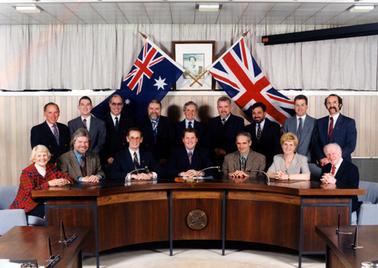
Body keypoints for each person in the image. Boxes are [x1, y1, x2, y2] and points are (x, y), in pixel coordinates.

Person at [9, 145, 72, 218]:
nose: (42, 158)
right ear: (34, 158)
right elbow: (30, 192)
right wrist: (49, 183)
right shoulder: (27, 172)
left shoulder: (51, 167)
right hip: (28, 205)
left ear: (48, 157)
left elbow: (68, 177)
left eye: (44, 155)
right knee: (54, 212)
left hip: (45, 202)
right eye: (39, 156)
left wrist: (65, 181)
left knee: (64, 209)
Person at [312, 94, 357, 166]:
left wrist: (335, 159)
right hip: (324, 163)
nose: (331, 105)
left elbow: (351, 145)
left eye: (334, 102)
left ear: (340, 104)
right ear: (326, 106)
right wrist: (322, 158)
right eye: (329, 103)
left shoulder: (349, 122)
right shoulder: (319, 122)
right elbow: (315, 143)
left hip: (343, 164)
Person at [320, 143, 360, 212]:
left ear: (340, 153)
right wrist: (323, 183)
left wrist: (335, 182)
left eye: (333, 153)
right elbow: (321, 185)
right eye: (328, 154)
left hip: (346, 204)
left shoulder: (352, 168)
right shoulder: (326, 167)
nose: (331, 157)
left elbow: (353, 189)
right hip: (328, 202)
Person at [207, 96, 244, 165]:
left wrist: (225, 151)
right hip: (215, 159)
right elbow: (208, 141)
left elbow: (240, 142)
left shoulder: (239, 121)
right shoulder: (212, 122)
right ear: (217, 108)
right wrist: (215, 150)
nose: (223, 109)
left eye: (225, 107)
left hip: (233, 159)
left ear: (230, 107)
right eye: (220, 107)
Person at [245, 102, 281, 168]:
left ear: (264, 113)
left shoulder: (274, 126)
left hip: (270, 164)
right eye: (254, 113)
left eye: (259, 112)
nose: (256, 115)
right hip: (252, 165)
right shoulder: (247, 128)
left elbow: (277, 148)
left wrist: (273, 165)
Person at [138, 99, 175, 165]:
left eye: (157, 109)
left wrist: (166, 158)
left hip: (164, 161)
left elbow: (172, 143)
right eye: (151, 108)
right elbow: (138, 143)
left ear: (161, 109)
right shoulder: (140, 123)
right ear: (148, 109)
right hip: (145, 161)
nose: (154, 111)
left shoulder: (168, 122)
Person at [102, 94, 134, 167]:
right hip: (107, 161)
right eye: (114, 104)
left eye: (119, 104)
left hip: (125, 160)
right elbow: (100, 143)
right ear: (109, 104)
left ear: (122, 105)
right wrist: (107, 157)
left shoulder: (130, 120)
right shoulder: (101, 121)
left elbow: (131, 140)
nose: (116, 107)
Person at [283, 95, 315, 160]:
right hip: (290, 160)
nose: (300, 108)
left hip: (308, 161)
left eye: (302, 105)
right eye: (297, 105)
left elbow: (315, 144)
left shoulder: (314, 122)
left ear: (306, 106)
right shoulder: (287, 122)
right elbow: (284, 142)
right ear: (294, 107)